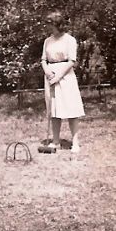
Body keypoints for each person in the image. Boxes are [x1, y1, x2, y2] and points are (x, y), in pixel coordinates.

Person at [41, 11, 85, 153]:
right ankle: (55, 141)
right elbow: (43, 59)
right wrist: (47, 70)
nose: (48, 27)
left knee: (71, 108)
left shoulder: (69, 40)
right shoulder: (47, 40)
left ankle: (75, 142)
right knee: (54, 109)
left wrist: (59, 76)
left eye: (50, 24)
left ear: (58, 24)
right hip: (50, 75)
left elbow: (72, 60)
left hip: (65, 75)